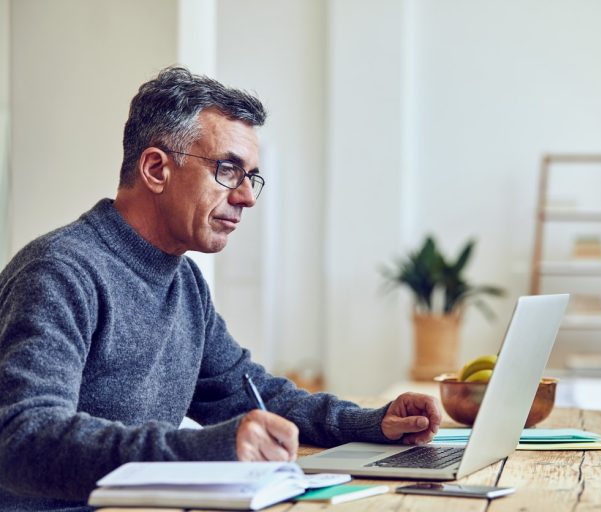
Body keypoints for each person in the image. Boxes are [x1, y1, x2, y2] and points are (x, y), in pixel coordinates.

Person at [0, 67, 441, 511]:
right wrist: (201, 451)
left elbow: (245, 391)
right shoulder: (60, 272)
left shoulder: (184, 282)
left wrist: (369, 422)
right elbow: (22, 437)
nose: (247, 196)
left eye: (251, 176)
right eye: (228, 170)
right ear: (156, 169)